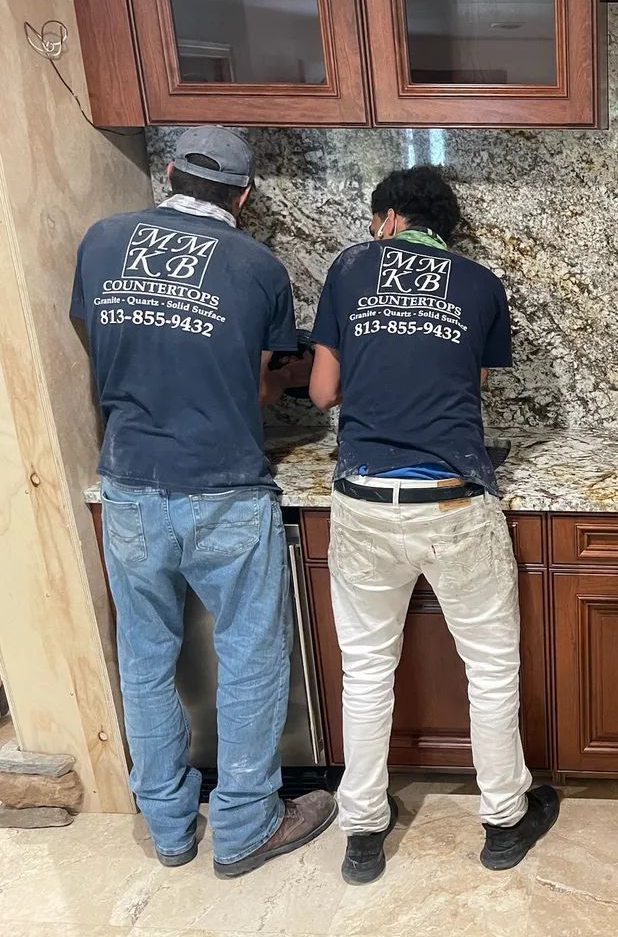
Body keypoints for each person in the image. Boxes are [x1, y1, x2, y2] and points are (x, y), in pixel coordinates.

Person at [71, 126, 334, 877]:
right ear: (244, 197)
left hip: (127, 481)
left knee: (145, 656)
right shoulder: (256, 267)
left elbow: (107, 340)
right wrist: (285, 378)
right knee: (249, 654)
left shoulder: (102, 240)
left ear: (169, 172)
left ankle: (169, 825)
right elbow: (258, 384)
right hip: (222, 483)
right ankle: (248, 824)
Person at [309, 164, 559, 886]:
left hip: (364, 500)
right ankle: (504, 823)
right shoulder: (480, 284)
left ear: (388, 218)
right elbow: (471, 383)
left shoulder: (350, 268)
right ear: (442, 228)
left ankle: (362, 833)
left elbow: (324, 391)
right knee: (489, 671)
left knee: (365, 674)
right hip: (453, 500)